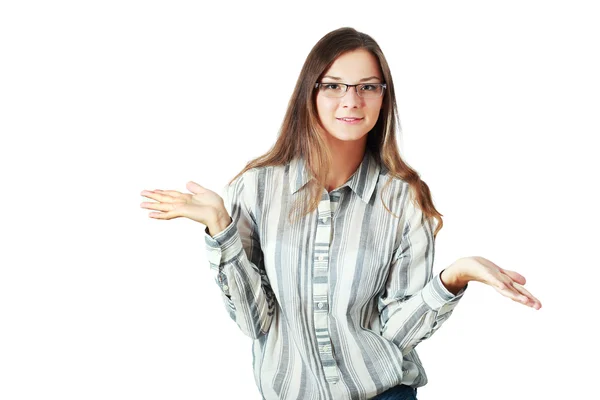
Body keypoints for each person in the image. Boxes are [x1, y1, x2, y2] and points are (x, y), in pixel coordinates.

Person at [140, 27, 542, 400]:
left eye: (368, 87)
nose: (352, 100)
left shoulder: (403, 199)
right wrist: (220, 226)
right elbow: (253, 322)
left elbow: (396, 334)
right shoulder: (257, 188)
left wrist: (454, 277)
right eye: (333, 86)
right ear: (309, 93)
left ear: (384, 97)